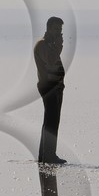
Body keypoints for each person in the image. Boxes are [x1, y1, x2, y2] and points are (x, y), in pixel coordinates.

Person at [33, 17, 67, 164]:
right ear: (48, 28)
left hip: (57, 87)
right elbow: (51, 60)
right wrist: (59, 46)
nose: (59, 33)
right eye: (56, 29)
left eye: (60, 30)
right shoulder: (42, 44)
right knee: (51, 122)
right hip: (48, 87)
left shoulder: (51, 44)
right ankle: (48, 156)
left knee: (53, 121)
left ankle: (46, 155)